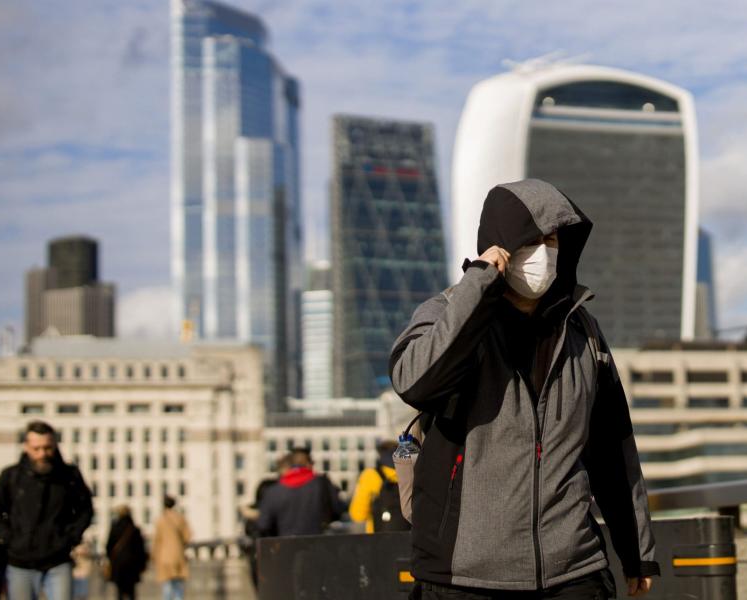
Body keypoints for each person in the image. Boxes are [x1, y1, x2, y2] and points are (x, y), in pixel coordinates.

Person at [390, 179, 660, 599]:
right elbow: (416, 383)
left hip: (573, 569)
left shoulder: (581, 330)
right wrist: (477, 285)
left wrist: (636, 550)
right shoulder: (445, 311)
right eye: (530, 239)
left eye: (552, 239)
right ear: (502, 244)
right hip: (464, 576)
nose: (544, 251)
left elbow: (612, 446)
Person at [0, 420, 93, 600]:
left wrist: (70, 537)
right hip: (20, 562)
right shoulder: (11, 476)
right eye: (37, 448)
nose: (42, 454)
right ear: (26, 447)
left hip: (58, 560)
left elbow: (85, 510)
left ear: (55, 445)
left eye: (47, 448)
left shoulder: (69, 476)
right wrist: (8, 537)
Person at [256, 449, 346, 538]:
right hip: (319, 546)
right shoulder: (322, 484)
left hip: (285, 548)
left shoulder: (273, 491)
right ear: (308, 464)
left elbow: (263, 526)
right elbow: (338, 510)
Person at [240, 454, 292, 589]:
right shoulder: (280, 499)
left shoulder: (255, 513)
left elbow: (252, 532)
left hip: (261, 562)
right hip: (281, 559)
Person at [349, 440, 410, 533]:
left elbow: (358, 515)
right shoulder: (410, 474)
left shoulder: (370, 476)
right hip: (408, 537)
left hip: (379, 539)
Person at [151, 496, 192, 600]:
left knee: (167, 585)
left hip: (164, 556)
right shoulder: (179, 518)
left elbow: (156, 540)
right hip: (178, 554)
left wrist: (154, 555)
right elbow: (188, 536)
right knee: (178, 585)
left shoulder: (161, 520)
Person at [105, 507, 147, 600]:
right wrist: (142, 565)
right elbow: (140, 550)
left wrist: (111, 560)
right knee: (131, 591)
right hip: (132, 565)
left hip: (118, 565)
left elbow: (108, 547)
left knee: (119, 591)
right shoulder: (134, 529)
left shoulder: (115, 528)